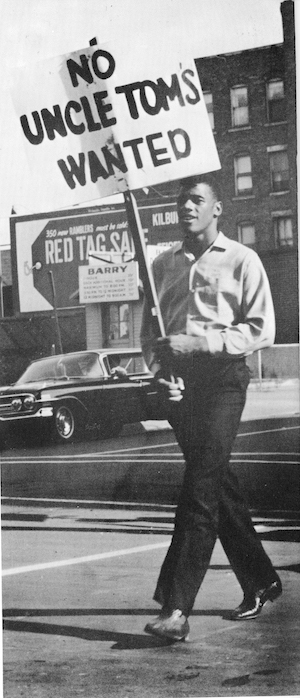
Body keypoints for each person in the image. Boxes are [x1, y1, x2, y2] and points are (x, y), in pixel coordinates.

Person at [140, 173, 282, 642]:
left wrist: (199, 343)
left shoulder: (243, 259)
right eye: (182, 200)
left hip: (224, 379)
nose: (187, 207)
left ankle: (177, 608)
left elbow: (261, 329)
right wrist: (162, 371)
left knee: (200, 484)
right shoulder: (162, 265)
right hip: (181, 385)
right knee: (217, 483)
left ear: (217, 209)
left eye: (197, 200)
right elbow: (150, 333)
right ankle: (261, 579)